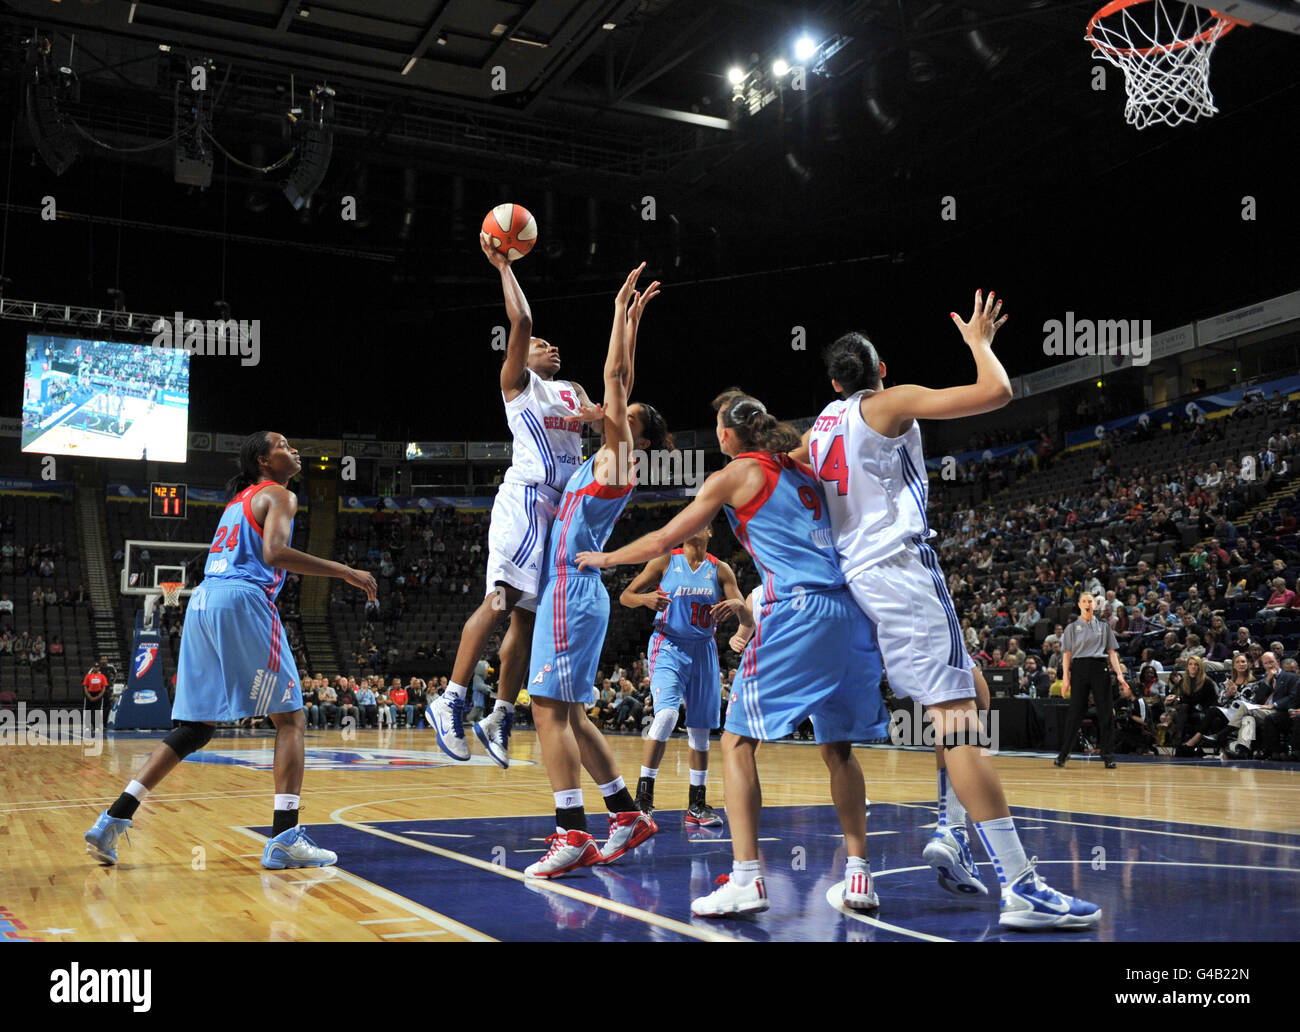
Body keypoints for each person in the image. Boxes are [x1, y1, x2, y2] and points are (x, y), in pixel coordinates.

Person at [791, 296, 1099, 929]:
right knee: (957, 721)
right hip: (902, 573)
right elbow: (997, 392)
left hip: (853, 585)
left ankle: (951, 830)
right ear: (882, 369)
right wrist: (980, 342)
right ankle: (1022, 886)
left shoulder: (820, 424)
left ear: (832, 383)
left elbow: (782, 473)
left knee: (974, 695)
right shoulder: (889, 401)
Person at [579, 389, 889, 917]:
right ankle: (859, 875)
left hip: (799, 611)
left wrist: (606, 556)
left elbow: (661, 540)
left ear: (727, 433)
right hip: (850, 613)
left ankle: (747, 877)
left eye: (718, 423)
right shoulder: (798, 464)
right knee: (838, 748)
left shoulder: (733, 476)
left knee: (737, 742)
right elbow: (833, 434)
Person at [82, 432, 377, 869]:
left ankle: (113, 817)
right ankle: (285, 837)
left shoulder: (238, 501)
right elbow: (275, 553)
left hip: (203, 601)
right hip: (242, 600)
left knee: (195, 729)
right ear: (264, 460)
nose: (293, 450)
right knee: (292, 719)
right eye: (283, 445)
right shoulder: (279, 494)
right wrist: (344, 571)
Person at [424, 230, 642, 770]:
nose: (550, 347)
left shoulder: (572, 393)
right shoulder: (518, 384)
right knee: (500, 601)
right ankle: (449, 698)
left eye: (550, 345)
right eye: (542, 345)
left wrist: (630, 324)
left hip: (559, 514)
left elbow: (619, 390)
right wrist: (503, 265)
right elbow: (520, 322)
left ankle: (499, 713)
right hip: (525, 500)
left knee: (525, 620)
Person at [519, 261, 665, 878]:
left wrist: (617, 312)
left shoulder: (619, 456)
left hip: (571, 592)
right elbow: (618, 379)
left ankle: (571, 832)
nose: (609, 411)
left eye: (620, 413)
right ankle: (626, 814)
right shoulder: (603, 459)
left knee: (547, 711)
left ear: (635, 431)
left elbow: (614, 377)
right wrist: (630, 322)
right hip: (576, 591)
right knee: (571, 712)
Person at [618, 526, 750, 826]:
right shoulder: (665, 561)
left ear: (711, 532)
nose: (693, 527)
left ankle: (696, 805)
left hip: (703, 648)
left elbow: (746, 617)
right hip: (669, 645)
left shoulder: (721, 570)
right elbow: (626, 595)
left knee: (701, 731)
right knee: (665, 716)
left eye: (701, 522)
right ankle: (643, 798)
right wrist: (645, 600)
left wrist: (738, 605)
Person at [1054, 593, 1130, 769]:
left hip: (1099, 668)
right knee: (1075, 714)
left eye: (1090, 601)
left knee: (1105, 713)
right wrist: (1066, 677)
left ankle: (1108, 755)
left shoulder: (1104, 627)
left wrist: (1119, 674)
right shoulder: (1071, 628)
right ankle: (1063, 754)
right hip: (1079, 668)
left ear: (1095, 605)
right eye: (1084, 601)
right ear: (1080, 604)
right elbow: (1066, 655)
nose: (1087, 604)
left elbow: (1112, 653)